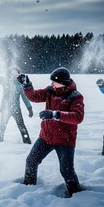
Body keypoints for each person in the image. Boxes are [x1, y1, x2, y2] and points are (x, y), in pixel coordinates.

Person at [17, 67, 84, 197]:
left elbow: (78, 117)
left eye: (55, 82)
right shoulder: (50, 91)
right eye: (51, 81)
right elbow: (35, 97)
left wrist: (55, 114)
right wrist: (27, 86)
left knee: (66, 171)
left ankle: (76, 195)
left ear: (63, 82)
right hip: (45, 138)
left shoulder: (75, 96)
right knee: (31, 161)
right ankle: (29, 189)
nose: (52, 83)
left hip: (65, 141)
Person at [0, 67, 33, 144]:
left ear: (18, 73)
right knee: (2, 126)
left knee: (21, 126)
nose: (14, 74)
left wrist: (29, 108)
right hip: (5, 109)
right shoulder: (5, 81)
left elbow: (25, 98)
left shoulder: (20, 85)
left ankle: (27, 142)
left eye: (16, 72)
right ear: (9, 73)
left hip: (16, 110)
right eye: (12, 72)